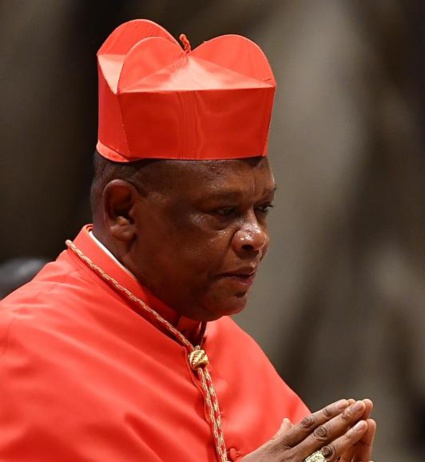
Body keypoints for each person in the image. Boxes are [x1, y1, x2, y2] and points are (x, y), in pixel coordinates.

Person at [0, 19, 376, 462]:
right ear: (123, 211)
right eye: (223, 212)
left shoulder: (222, 340)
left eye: (263, 208)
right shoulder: (23, 349)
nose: (256, 237)